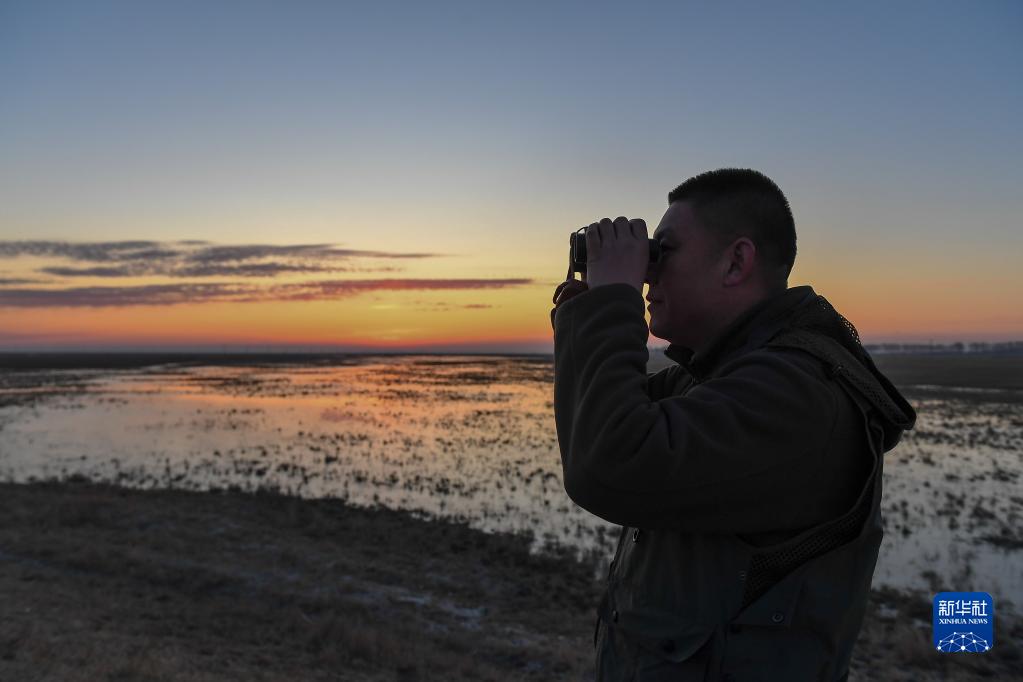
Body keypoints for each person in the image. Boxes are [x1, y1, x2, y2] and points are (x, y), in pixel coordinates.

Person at [550, 168, 916, 681]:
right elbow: (596, 416)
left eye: (664, 251)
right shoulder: (717, 378)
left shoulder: (795, 394)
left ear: (736, 261)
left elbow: (606, 463)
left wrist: (614, 298)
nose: (649, 273)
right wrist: (590, 296)